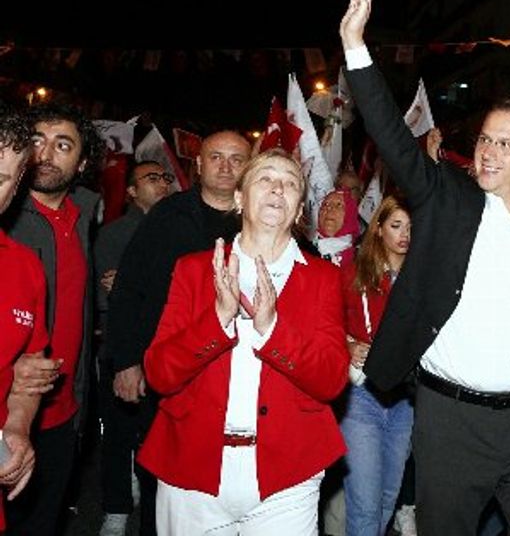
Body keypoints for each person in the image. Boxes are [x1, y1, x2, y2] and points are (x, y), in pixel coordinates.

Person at [341, 0, 510, 536]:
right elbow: (393, 138)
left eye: (507, 143)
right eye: (486, 139)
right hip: (451, 421)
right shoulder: (446, 198)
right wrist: (355, 46)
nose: (490, 151)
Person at [138, 149, 348, 534]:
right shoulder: (194, 269)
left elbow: (331, 380)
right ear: (239, 198)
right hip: (192, 469)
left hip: (288, 475)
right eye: (265, 178)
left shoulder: (323, 279)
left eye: (290, 183)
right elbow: (159, 374)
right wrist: (218, 320)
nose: (277, 188)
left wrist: (272, 329)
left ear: (298, 210)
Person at [106, 129, 251, 536]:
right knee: (162, 475)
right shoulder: (166, 217)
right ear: (199, 165)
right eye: (216, 157)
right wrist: (127, 361)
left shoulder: (261, 218)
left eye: (237, 159)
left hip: (237, 376)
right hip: (167, 370)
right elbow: (129, 289)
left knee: (226, 484)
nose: (226, 166)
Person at [2, 102, 103, 536]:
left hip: (62, 413)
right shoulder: (10, 221)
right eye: (37, 141)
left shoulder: (82, 217)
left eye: (62, 145)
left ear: (81, 164)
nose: (45, 153)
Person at [95, 159, 175, 536]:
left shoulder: (175, 229)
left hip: (165, 351)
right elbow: (111, 293)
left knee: (159, 438)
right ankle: (116, 507)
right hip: (123, 349)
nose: (162, 184)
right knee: (119, 433)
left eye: (165, 177)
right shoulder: (114, 234)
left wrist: (133, 285)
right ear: (130, 191)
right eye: (151, 178)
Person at [341, 195, 415, 536]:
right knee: (365, 504)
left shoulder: (424, 278)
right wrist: (348, 344)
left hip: (406, 399)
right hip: (363, 396)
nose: (405, 235)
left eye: (411, 227)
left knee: (387, 497)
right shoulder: (355, 272)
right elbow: (326, 323)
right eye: (396, 225)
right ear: (379, 229)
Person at [0, 107, 50, 532]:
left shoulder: (26, 267)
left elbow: (30, 371)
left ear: (17, 186)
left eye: (1, 178)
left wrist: (17, 426)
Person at [315, 187, 360, 268]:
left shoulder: (359, 261)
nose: (329, 208)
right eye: (325, 204)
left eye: (338, 205)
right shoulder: (304, 251)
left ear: (350, 214)